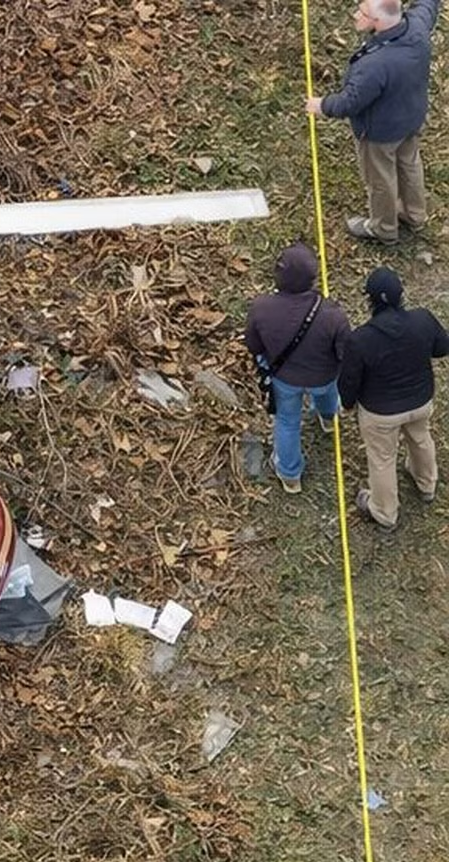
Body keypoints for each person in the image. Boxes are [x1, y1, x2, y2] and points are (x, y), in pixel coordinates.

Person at [305, 0, 441, 244]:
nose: (356, 14)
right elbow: (428, 4)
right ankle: (415, 214)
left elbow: (350, 102)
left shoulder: (374, 66)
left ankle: (384, 229)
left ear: (377, 22)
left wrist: (322, 105)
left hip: (380, 133)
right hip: (411, 119)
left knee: (380, 180)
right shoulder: (417, 26)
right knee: (410, 164)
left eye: (363, 12)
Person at [338, 267, 449, 530]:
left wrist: (348, 403)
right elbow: (443, 347)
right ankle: (426, 484)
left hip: (381, 412)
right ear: (402, 295)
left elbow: (349, 380)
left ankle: (385, 513)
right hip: (420, 402)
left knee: (382, 459)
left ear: (371, 301)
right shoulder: (422, 319)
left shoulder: (361, 339)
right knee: (420, 437)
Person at [245, 243, 352, 493]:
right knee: (327, 395)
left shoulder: (261, 307)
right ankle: (328, 419)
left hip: (284, 378)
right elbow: (345, 352)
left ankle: (290, 475)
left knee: (287, 421)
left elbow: (253, 345)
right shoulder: (332, 313)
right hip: (324, 376)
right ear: (312, 278)